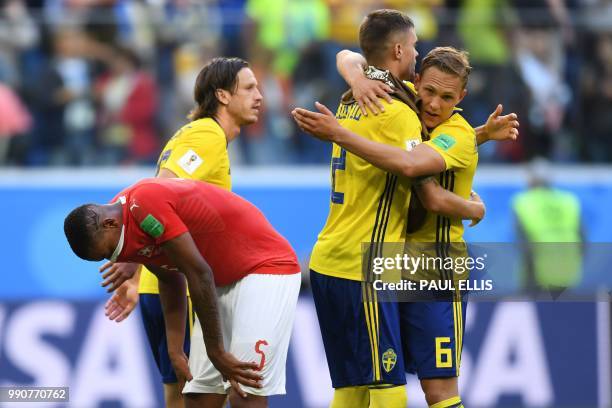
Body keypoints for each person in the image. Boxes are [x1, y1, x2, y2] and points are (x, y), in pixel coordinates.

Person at [293, 45, 519, 408]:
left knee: (438, 390)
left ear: (461, 97)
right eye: (428, 92)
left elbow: (425, 186)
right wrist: (358, 79)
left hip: (436, 270)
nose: (433, 103)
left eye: (447, 97)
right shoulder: (408, 104)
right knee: (375, 378)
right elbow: (348, 55)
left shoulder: (457, 133)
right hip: (395, 267)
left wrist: (475, 210)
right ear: (415, 82)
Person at [101, 57, 263, 408]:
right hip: (184, 294)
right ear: (222, 95)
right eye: (249, 88)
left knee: (180, 398)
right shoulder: (206, 135)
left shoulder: (197, 135)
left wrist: (137, 270)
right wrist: (133, 258)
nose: (259, 96)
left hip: (162, 286)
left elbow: (160, 204)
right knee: (209, 396)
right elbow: (160, 192)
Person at [64, 177, 301, 408]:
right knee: (198, 396)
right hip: (219, 279)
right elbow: (169, 277)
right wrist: (175, 349)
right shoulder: (118, 219)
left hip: (266, 268)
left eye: (108, 252)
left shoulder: (145, 205)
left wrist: (216, 352)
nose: (114, 258)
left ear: (110, 224)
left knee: (245, 393)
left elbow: (198, 273)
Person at [512, 158, 583, 292]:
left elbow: (524, 244)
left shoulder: (524, 202)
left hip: (537, 274)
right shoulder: (569, 201)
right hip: (568, 271)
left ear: (530, 180)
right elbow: (582, 239)